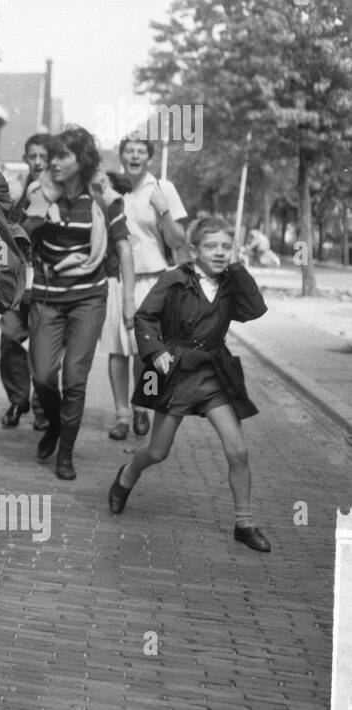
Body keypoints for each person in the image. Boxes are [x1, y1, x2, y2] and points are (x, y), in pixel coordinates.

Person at [108, 216, 271, 552]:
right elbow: (144, 317)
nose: (220, 252)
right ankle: (127, 475)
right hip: (177, 374)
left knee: (238, 450)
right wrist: (155, 351)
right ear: (194, 249)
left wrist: (238, 268)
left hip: (214, 373)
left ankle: (245, 522)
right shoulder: (174, 279)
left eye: (226, 246)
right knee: (157, 451)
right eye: (212, 246)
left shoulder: (230, 282)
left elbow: (255, 308)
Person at [21, 126, 132, 481]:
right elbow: (21, 238)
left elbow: (125, 250)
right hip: (47, 296)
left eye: (62, 156)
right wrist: (37, 210)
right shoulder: (38, 193)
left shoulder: (102, 197)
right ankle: (54, 425)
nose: (52, 162)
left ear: (80, 161)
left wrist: (129, 302)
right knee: (41, 376)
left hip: (88, 297)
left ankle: (65, 452)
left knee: (75, 379)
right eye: (50, 156)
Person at [101, 137, 189, 440]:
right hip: (118, 279)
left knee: (147, 351)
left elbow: (179, 241)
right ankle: (121, 415)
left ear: (149, 158)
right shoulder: (113, 188)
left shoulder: (163, 188)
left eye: (141, 151)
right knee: (118, 349)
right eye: (129, 150)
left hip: (153, 279)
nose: (135, 155)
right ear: (122, 155)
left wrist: (163, 211)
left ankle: (141, 407)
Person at [0, 133, 50, 430]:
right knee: (10, 338)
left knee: (44, 347)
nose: (38, 162)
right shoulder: (18, 186)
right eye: (33, 156)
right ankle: (18, 400)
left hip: (46, 279)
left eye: (44, 156)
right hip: (18, 277)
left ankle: (42, 408)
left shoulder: (58, 189)